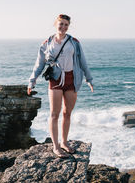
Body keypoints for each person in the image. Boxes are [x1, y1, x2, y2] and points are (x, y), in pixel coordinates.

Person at [27, 14, 94, 158]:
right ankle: (56, 147)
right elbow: (39, 64)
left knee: (67, 113)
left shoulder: (74, 42)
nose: (63, 27)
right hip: (55, 79)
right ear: (55, 24)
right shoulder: (47, 43)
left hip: (72, 79)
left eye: (66, 25)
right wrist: (32, 81)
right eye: (61, 24)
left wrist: (89, 79)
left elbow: (83, 62)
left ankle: (64, 142)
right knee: (54, 114)